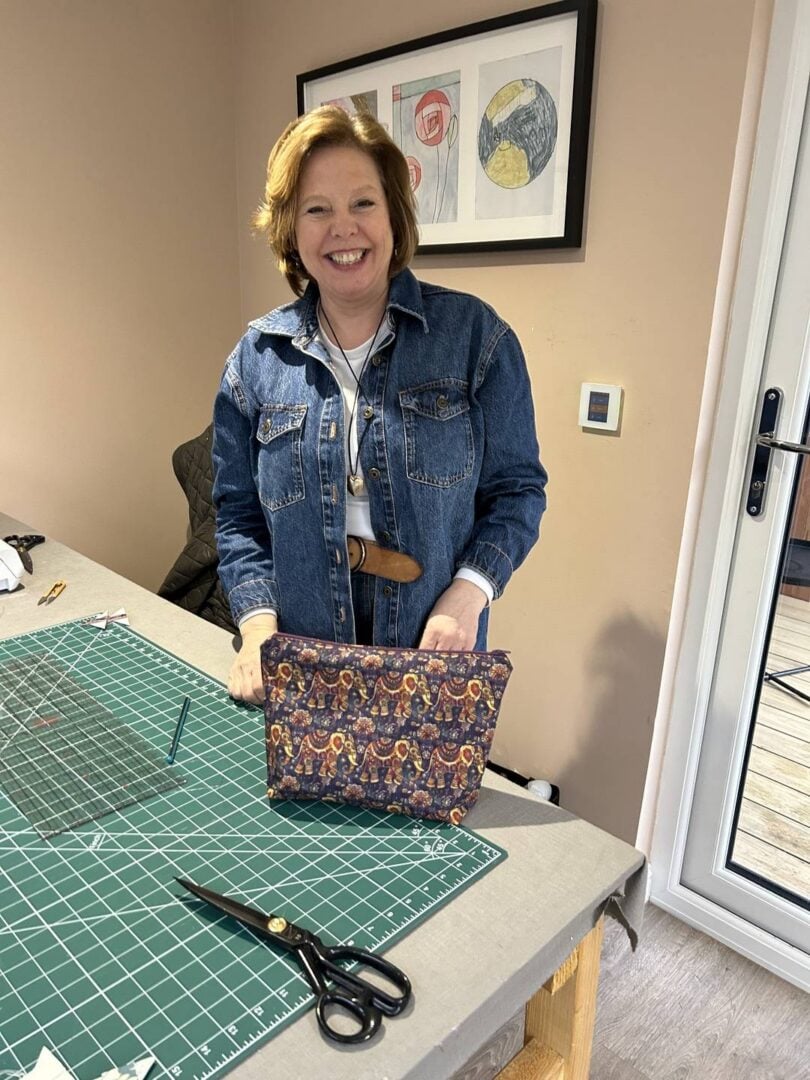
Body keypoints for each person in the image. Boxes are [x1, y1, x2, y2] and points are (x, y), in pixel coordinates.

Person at [212, 105, 547, 705]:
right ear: (290, 228)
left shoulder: (476, 340)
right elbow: (238, 518)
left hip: (431, 652)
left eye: (362, 203)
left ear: (394, 213)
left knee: (420, 796)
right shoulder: (255, 361)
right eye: (317, 209)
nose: (343, 229)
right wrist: (257, 624)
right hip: (302, 656)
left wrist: (470, 592)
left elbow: (518, 491)